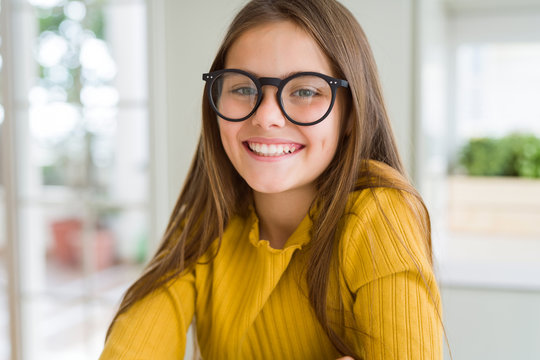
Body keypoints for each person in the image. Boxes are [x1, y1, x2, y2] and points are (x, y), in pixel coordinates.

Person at [100, 0, 442, 359]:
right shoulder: (209, 218)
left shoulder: (381, 216)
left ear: (353, 114)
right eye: (244, 89)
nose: (266, 116)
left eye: (305, 91)